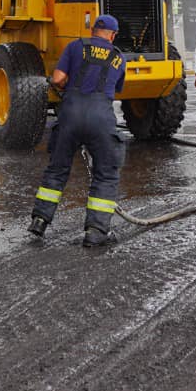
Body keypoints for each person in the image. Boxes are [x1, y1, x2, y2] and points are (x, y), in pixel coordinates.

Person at [29, 14, 127, 247]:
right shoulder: (118, 57)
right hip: (101, 118)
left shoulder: (75, 46)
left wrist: (61, 84)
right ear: (113, 35)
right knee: (105, 173)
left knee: (57, 169)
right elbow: (118, 88)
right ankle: (96, 232)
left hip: (70, 115)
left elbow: (58, 78)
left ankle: (40, 221)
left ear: (93, 30)